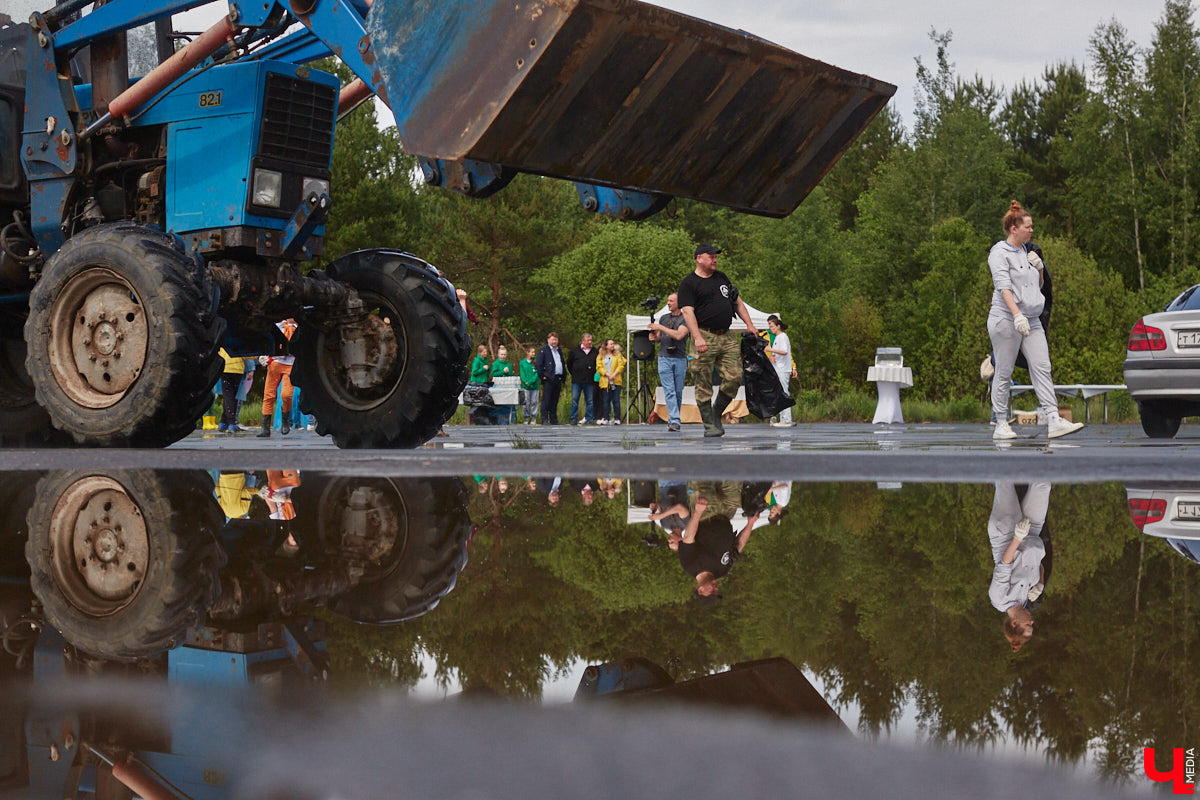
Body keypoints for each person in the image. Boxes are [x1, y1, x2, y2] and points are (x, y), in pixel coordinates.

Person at [988, 202, 1083, 440]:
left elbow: (1036, 288)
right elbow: (1004, 288)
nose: (1032, 230)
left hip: (1032, 319)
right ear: (1013, 228)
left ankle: (1053, 419)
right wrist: (1016, 314)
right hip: (1006, 319)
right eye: (1028, 227)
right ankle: (1000, 422)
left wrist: (1039, 269)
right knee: (1004, 370)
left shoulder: (1027, 251)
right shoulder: (999, 253)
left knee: (1042, 367)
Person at [678, 243, 759, 437]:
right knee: (703, 381)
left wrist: (750, 324)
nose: (715, 259)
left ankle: (716, 413)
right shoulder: (688, 283)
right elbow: (688, 312)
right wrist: (697, 337)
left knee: (735, 376)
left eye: (716, 256)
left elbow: (737, 302)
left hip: (726, 335)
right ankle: (709, 425)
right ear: (699, 258)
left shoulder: (721, 277)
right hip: (704, 335)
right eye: (711, 256)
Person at [669, 481, 757, 604]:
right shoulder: (722, 571)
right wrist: (750, 524)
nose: (716, 588)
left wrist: (698, 513)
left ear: (700, 590)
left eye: (712, 591)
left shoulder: (690, 566)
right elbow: (738, 546)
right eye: (717, 591)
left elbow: (688, 538)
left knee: (703, 473)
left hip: (706, 512)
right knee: (734, 476)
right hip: (727, 512)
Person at [988, 482, 1050, 652]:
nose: (1032, 621)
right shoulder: (1025, 599)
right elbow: (1038, 566)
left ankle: (1005, 454)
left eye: (1027, 625)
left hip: (1007, 533)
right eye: (1032, 625)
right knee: (1043, 485)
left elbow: (1005, 564)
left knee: (1005, 480)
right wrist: (1040, 584)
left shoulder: (999, 599)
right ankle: (1042, 455)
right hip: (1031, 531)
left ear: (1014, 623)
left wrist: (1017, 537)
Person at [648, 292, 689, 432]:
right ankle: (675, 420)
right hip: (664, 357)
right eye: (668, 301)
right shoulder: (664, 318)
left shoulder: (686, 318)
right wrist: (654, 336)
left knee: (678, 391)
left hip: (680, 358)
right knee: (669, 390)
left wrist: (660, 328)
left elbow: (679, 335)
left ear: (679, 302)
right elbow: (659, 337)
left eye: (671, 301)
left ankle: (673, 419)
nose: (668, 303)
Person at [257, 318, 297, 438]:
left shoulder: (298, 329)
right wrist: (264, 355)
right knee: (268, 395)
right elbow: (266, 342)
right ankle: (265, 427)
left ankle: (285, 418)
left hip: (290, 365)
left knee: (287, 395)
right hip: (275, 364)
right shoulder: (277, 326)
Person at [762, 315, 796, 427]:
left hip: (783, 369)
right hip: (778, 367)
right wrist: (772, 356)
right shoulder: (777, 338)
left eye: (772, 326)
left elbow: (784, 351)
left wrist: (770, 349)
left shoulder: (782, 337)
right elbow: (778, 353)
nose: (770, 328)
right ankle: (783, 418)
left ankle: (786, 419)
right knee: (780, 392)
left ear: (778, 326)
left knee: (784, 392)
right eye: (769, 326)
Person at [566, 332, 598, 425]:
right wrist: (574, 373)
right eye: (588, 340)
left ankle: (590, 418)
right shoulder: (575, 350)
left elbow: (598, 364)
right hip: (577, 380)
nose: (590, 342)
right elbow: (569, 363)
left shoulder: (595, 351)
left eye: (591, 340)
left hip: (589, 380)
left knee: (590, 401)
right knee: (575, 400)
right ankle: (573, 418)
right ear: (583, 341)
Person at [535, 332, 566, 424]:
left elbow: (562, 363)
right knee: (546, 399)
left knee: (555, 399)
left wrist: (564, 375)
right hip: (548, 378)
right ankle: (544, 418)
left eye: (556, 339)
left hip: (558, 378)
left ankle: (553, 419)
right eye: (553, 339)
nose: (554, 341)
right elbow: (538, 365)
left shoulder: (558, 350)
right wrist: (543, 376)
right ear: (548, 340)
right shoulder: (543, 350)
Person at [596, 339, 626, 425]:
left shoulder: (617, 355)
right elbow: (599, 367)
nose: (612, 345)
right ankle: (606, 417)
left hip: (615, 380)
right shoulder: (601, 356)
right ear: (606, 346)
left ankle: (617, 418)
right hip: (605, 381)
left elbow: (621, 365)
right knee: (606, 400)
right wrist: (607, 375)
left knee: (616, 400)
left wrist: (614, 375)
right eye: (611, 344)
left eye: (613, 344)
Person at [217, 348, 247, 432]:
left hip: (225, 367)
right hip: (238, 369)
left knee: (228, 396)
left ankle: (223, 422)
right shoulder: (239, 339)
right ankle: (231, 423)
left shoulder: (223, 338)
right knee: (233, 397)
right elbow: (248, 354)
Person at [491, 345, 516, 424]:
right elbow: (494, 374)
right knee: (498, 403)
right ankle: (498, 420)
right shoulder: (496, 363)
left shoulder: (508, 364)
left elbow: (510, 375)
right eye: (501, 354)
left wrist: (508, 372)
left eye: (504, 354)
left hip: (507, 386)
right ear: (498, 355)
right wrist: (502, 371)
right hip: (497, 386)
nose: (503, 356)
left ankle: (507, 420)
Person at [520, 346, 540, 424]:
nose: (533, 354)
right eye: (532, 352)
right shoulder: (522, 362)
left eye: (534, 352)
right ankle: (526, 417)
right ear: (527, 352)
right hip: (526, 386)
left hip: (535, 386)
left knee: (534, 402)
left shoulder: (536, 361)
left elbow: (537, 374)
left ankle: (534, 418)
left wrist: (531, 382)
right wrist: (526, 382)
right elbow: (522, 374)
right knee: (526, 402)